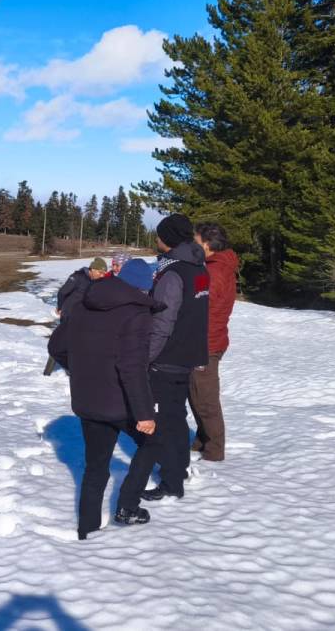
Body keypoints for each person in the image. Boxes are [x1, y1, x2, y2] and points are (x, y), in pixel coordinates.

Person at [68, 258, 161, 538]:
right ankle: (127, 507)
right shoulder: (136, 314)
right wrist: (145, 413)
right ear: (143, 288)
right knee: (153, 442)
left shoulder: (85, 302)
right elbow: (132, 368)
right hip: (118, 402)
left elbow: (58, 345)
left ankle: (87, 532)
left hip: (87, 399)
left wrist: (81, 370)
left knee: (95, 468)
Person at [126, 214, 209, 507]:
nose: (155, 239)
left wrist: (145, 358)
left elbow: (163, 322)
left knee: (163, 421)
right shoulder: (198, 267)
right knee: (175, 416)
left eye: (159, 234)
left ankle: (172, 481)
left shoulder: (173, 274)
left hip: (167, 357)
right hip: (187, 354)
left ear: (169, 239)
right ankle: (179, 471)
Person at [190, 223, 238, 461]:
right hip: (207, 339)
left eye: (196, 242)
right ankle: (202, 440)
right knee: (197, 394)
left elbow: (199, 304)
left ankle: (214, 451)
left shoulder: (212, 272)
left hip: (206, 343)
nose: (193, 246)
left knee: (205, 398)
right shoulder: (215, 267)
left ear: (207, 245)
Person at [45, 257, 108, 375]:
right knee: (61, 341)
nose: (102, 275)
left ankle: (73, 369)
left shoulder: (95, 281)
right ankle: (49, 371)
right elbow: (63, 292)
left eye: (103, 273)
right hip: (68, 315)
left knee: (76, 343)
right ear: (93, 269)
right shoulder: (78, 277)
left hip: (81, 317)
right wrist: (60, 307)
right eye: (100, 272)